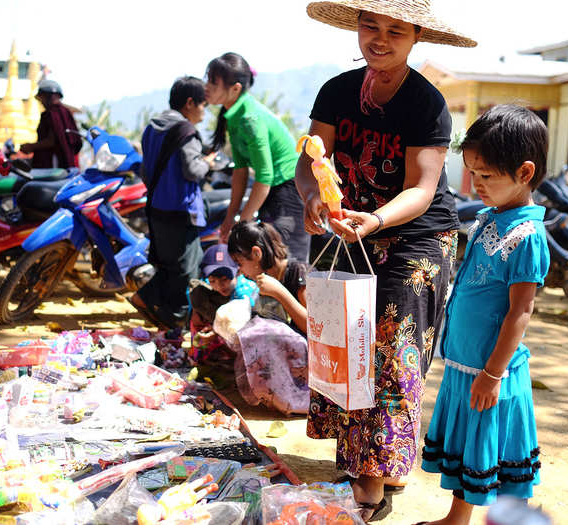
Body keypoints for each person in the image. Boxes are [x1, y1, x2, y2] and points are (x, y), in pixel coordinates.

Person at [297, 1, 476, 520]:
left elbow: (421, 189)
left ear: (416, 35)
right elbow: (310, 160)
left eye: (395, 30)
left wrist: (375, 221)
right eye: (370, 26)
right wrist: (312, 198)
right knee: (345, 344)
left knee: (391, 353)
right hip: (347, 229)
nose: (379, 38)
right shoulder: (335, 91)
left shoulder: (427, 103)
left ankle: (370, 484)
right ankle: (365, 460)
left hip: (415, 237)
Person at [419, 104, 550, 525]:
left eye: (486, 176)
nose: (476, 184)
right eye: (472, 173)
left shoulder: (526, 236)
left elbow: (520, 312)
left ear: (524, 173)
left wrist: (493, 373)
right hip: (466, 361)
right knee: (471, 445)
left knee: (493, 446)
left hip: (491, 368)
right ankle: (457, 519)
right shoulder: (488, 218)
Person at [205, 52, 310, 262]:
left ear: (235, 89)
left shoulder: (249, 118)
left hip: (288, 188)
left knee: (288, 263)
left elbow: (264, 175)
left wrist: (242, 223)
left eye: (213, 82)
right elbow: (240, 170)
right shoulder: (234, 115)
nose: (206, 86)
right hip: (272, 189)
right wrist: (229, 219)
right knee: (268, 261)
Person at [129, 76, 216, 330]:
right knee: (186, 271)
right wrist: (208, 163)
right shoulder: (186, 131)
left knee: (169, 264)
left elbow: (146, 171)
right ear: (190, 103)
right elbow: (192, 170)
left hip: (156, 209)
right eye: (202, 105)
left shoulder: (152, 127)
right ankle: (174, 324)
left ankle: (145, 299)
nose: (203, 112)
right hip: (181, 210)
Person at [226, 220, 310, 415]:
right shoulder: (263, 281)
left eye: (240, 263)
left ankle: (295, 400)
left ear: (256, 253)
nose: (240, 270)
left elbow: (313, 327)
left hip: (312, 359)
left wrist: (280, 292)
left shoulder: (299, 272)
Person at [188, 243, 258, 362]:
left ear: (238, 271)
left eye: (225, 279)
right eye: (212, 281)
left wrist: (216, 332)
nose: (219, 285)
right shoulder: (219, 288)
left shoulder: (244, 295)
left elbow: (240, 327)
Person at [20, 79, 81, 169]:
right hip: (67, 161)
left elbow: (52, 141)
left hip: (54, 161)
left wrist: (30, 146)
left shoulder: (51, 113)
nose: (41, 101)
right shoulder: (66, 112)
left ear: (49, 96)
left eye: (42, 97)